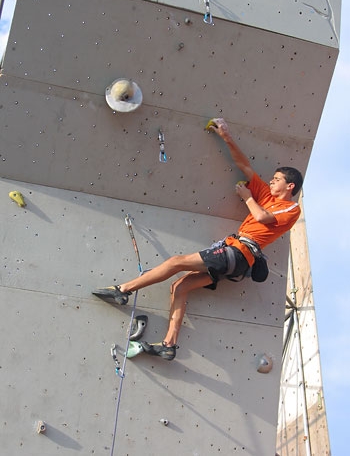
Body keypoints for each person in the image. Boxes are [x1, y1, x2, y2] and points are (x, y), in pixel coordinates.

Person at [92, 118, 303, 361]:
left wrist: (246, 197)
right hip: (234, 257)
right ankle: (168, 345)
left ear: (290, 186)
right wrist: (226, 136)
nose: (271, 181)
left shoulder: (290, 208)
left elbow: (263, 217)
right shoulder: (265, 195)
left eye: (276, 179)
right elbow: (244, 165)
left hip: (238, 252)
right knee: (179, 287)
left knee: (175, 262)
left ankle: (123, 290)